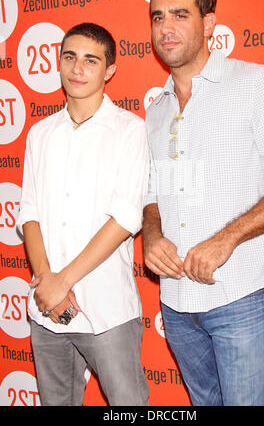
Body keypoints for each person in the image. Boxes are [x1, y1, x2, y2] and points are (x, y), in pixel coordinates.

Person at [142, 0, 264, 406]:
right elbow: (153, 194)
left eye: (179, 15)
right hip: (175, 304)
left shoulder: (253, 84)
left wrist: (225, 239)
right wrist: (151, 235)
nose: (166, 28)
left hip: (240, 295)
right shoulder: (156, 111)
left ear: (208, 24)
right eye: (157, 17)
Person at [18, 22, 149, 406]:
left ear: (109, 70)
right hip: (46, 311)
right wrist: (47, 282)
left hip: (107, 308)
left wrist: (63, 282)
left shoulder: (130, 131)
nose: (78, 69)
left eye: (91, 60)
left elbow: (125, 218)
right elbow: (30, 214)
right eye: (70, 57)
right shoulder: (40, 133)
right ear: (58, 63)